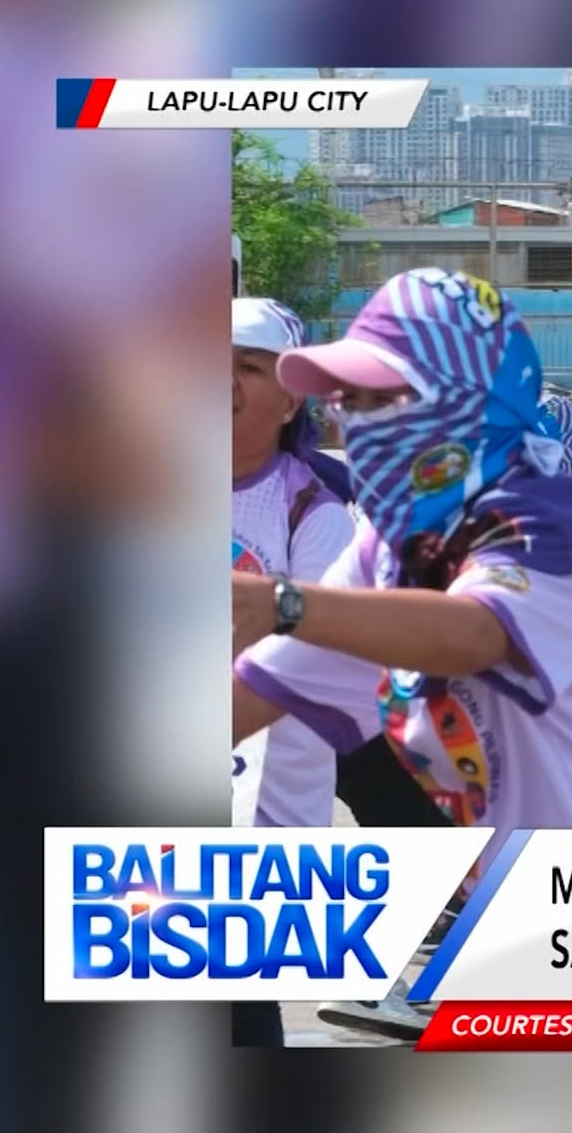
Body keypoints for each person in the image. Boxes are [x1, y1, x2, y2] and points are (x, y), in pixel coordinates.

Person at [230, 269, 572, 955]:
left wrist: (282, 603)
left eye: (385, 399)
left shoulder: (537, 522)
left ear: (468, 406)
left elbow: (477, 632)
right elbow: (255, 693)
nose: (357, 424)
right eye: (350, 400)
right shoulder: (387, 545)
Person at [231, 298, 358, 830]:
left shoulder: (312, 513)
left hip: (270, 813)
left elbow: (310, 663)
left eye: (248, 367)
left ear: (289, 404)